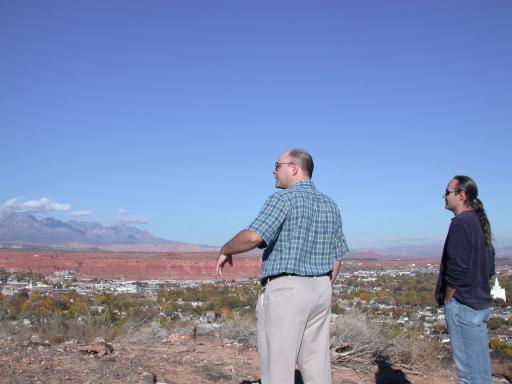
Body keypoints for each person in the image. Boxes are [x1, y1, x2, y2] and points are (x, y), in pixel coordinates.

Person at [216, 149, 349, 384]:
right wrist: (325, 285)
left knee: (278, 367)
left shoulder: (283, 199)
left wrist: (225, 249)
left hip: (287, 290)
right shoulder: (331, 205)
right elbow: (338, 256)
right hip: (321, 288)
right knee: (317, 365)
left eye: (277, 165)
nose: (273, 170)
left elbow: (254, 237)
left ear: (294, 168)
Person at [435, 175, 495, 384]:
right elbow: (490, 266)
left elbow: (457, 268)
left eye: (448, 192)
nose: (444, 196)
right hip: (479, 303)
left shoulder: (461, 224)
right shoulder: (478, 222)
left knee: (469, 374)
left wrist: (449, 297)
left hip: (463, 305)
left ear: (461, 195)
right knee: (481, 371)